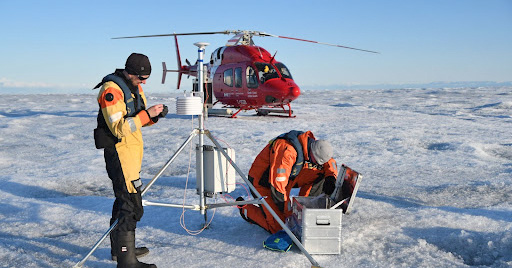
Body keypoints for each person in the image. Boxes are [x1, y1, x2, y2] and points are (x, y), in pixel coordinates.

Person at [94, 53, 166, 268]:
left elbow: (136, 119)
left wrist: (153, 116)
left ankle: (121, 250)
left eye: (146, 79)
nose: (143, 82)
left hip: (131, 152)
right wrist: (147, 115)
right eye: (141, 78)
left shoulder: (134, 87)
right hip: (119, 153)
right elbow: (119, 128)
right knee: (130, 206)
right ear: (129, 72)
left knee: (124, 200)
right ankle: (126, 262)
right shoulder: (111, 91)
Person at [238, 130, 338, 234]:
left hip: (287, 178)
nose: (315, 163)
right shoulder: (287, 151)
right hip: (264, 183)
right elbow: (277, 186)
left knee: (321, 172)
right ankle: (246, 210)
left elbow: (330, 162)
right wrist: (286, 210)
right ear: (313, 152)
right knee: (281, 227)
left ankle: (306, 205)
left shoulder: (313, 145)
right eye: (315, 161)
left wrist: (331, 178)